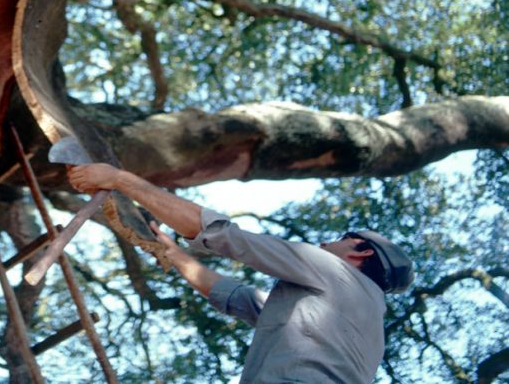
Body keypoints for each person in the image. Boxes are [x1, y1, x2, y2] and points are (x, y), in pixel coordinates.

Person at [67, 163, 414, 384]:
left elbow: (223, 236)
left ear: (360, 252)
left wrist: (120, 178)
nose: (325, 242)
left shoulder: (334, 271)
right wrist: (175, 255)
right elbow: (236, 297)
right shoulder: (358, 324)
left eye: (339, 239)